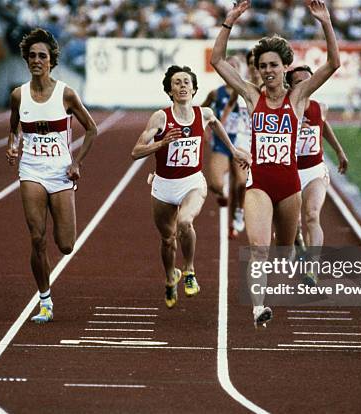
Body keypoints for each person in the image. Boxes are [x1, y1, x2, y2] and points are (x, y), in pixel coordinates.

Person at [211, 0, 340, 327]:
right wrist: (229, 21)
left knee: (282, 253)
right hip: (259, 185)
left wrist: (325, 22)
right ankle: (259, 308)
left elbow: (333, 63)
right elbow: (217, 60)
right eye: (263, 65)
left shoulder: (298, 98)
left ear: (285, 68)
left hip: (289, 185)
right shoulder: (252, 97)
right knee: (258, 250)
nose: (267, 71)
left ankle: (296, 251)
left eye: (273, 65)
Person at [131, 65, 250, 309]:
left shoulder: (203, 114)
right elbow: (135, 152)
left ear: (194, 89)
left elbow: (216, 124)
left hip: (192, 182)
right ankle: (169, 277)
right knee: (167, 240)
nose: (183, 85)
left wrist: (234, 150)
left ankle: (189, 270)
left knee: (185, 222)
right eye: (177, 82)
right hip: (163, 185)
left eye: (187, 82)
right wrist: (161, 143)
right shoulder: (161, 117)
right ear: (170, 90)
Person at [5, 28, 98, 323]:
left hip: (60, 172)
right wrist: (13, 145)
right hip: (31, 169)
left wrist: (77, 163)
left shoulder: (66, 93)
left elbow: (92, 129)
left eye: (42, 56)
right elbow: (13, 129)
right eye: (31, 56)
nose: (36, 60)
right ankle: (45, 300)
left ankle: (47, 293)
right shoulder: (18, 95)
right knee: (37, 238)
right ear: (26, 59)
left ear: (51, 61)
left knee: (66, 245)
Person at [286, 65, 349, 285]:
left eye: (308, 80)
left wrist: (339, 151)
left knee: (312, 214)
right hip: (289, 172)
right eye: (299, 81)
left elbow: (324, 125)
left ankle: (312, 268)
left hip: (314, 170)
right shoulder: (284, 109)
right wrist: (292, 127)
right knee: (292, 223)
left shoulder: (320, 106)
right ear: (290, 86)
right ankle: (299, 244)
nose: (305, 85)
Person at [200, 55, 247, 238]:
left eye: (236, 65)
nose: (233, 68)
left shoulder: (246, 92)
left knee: (241, 182)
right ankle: (222, 193)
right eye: (229, 65)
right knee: (216, 184)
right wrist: (204, 131)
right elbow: (201, 111)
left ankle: (238, 213)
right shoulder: (215, 93)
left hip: (241, 141)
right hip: (221, 142)